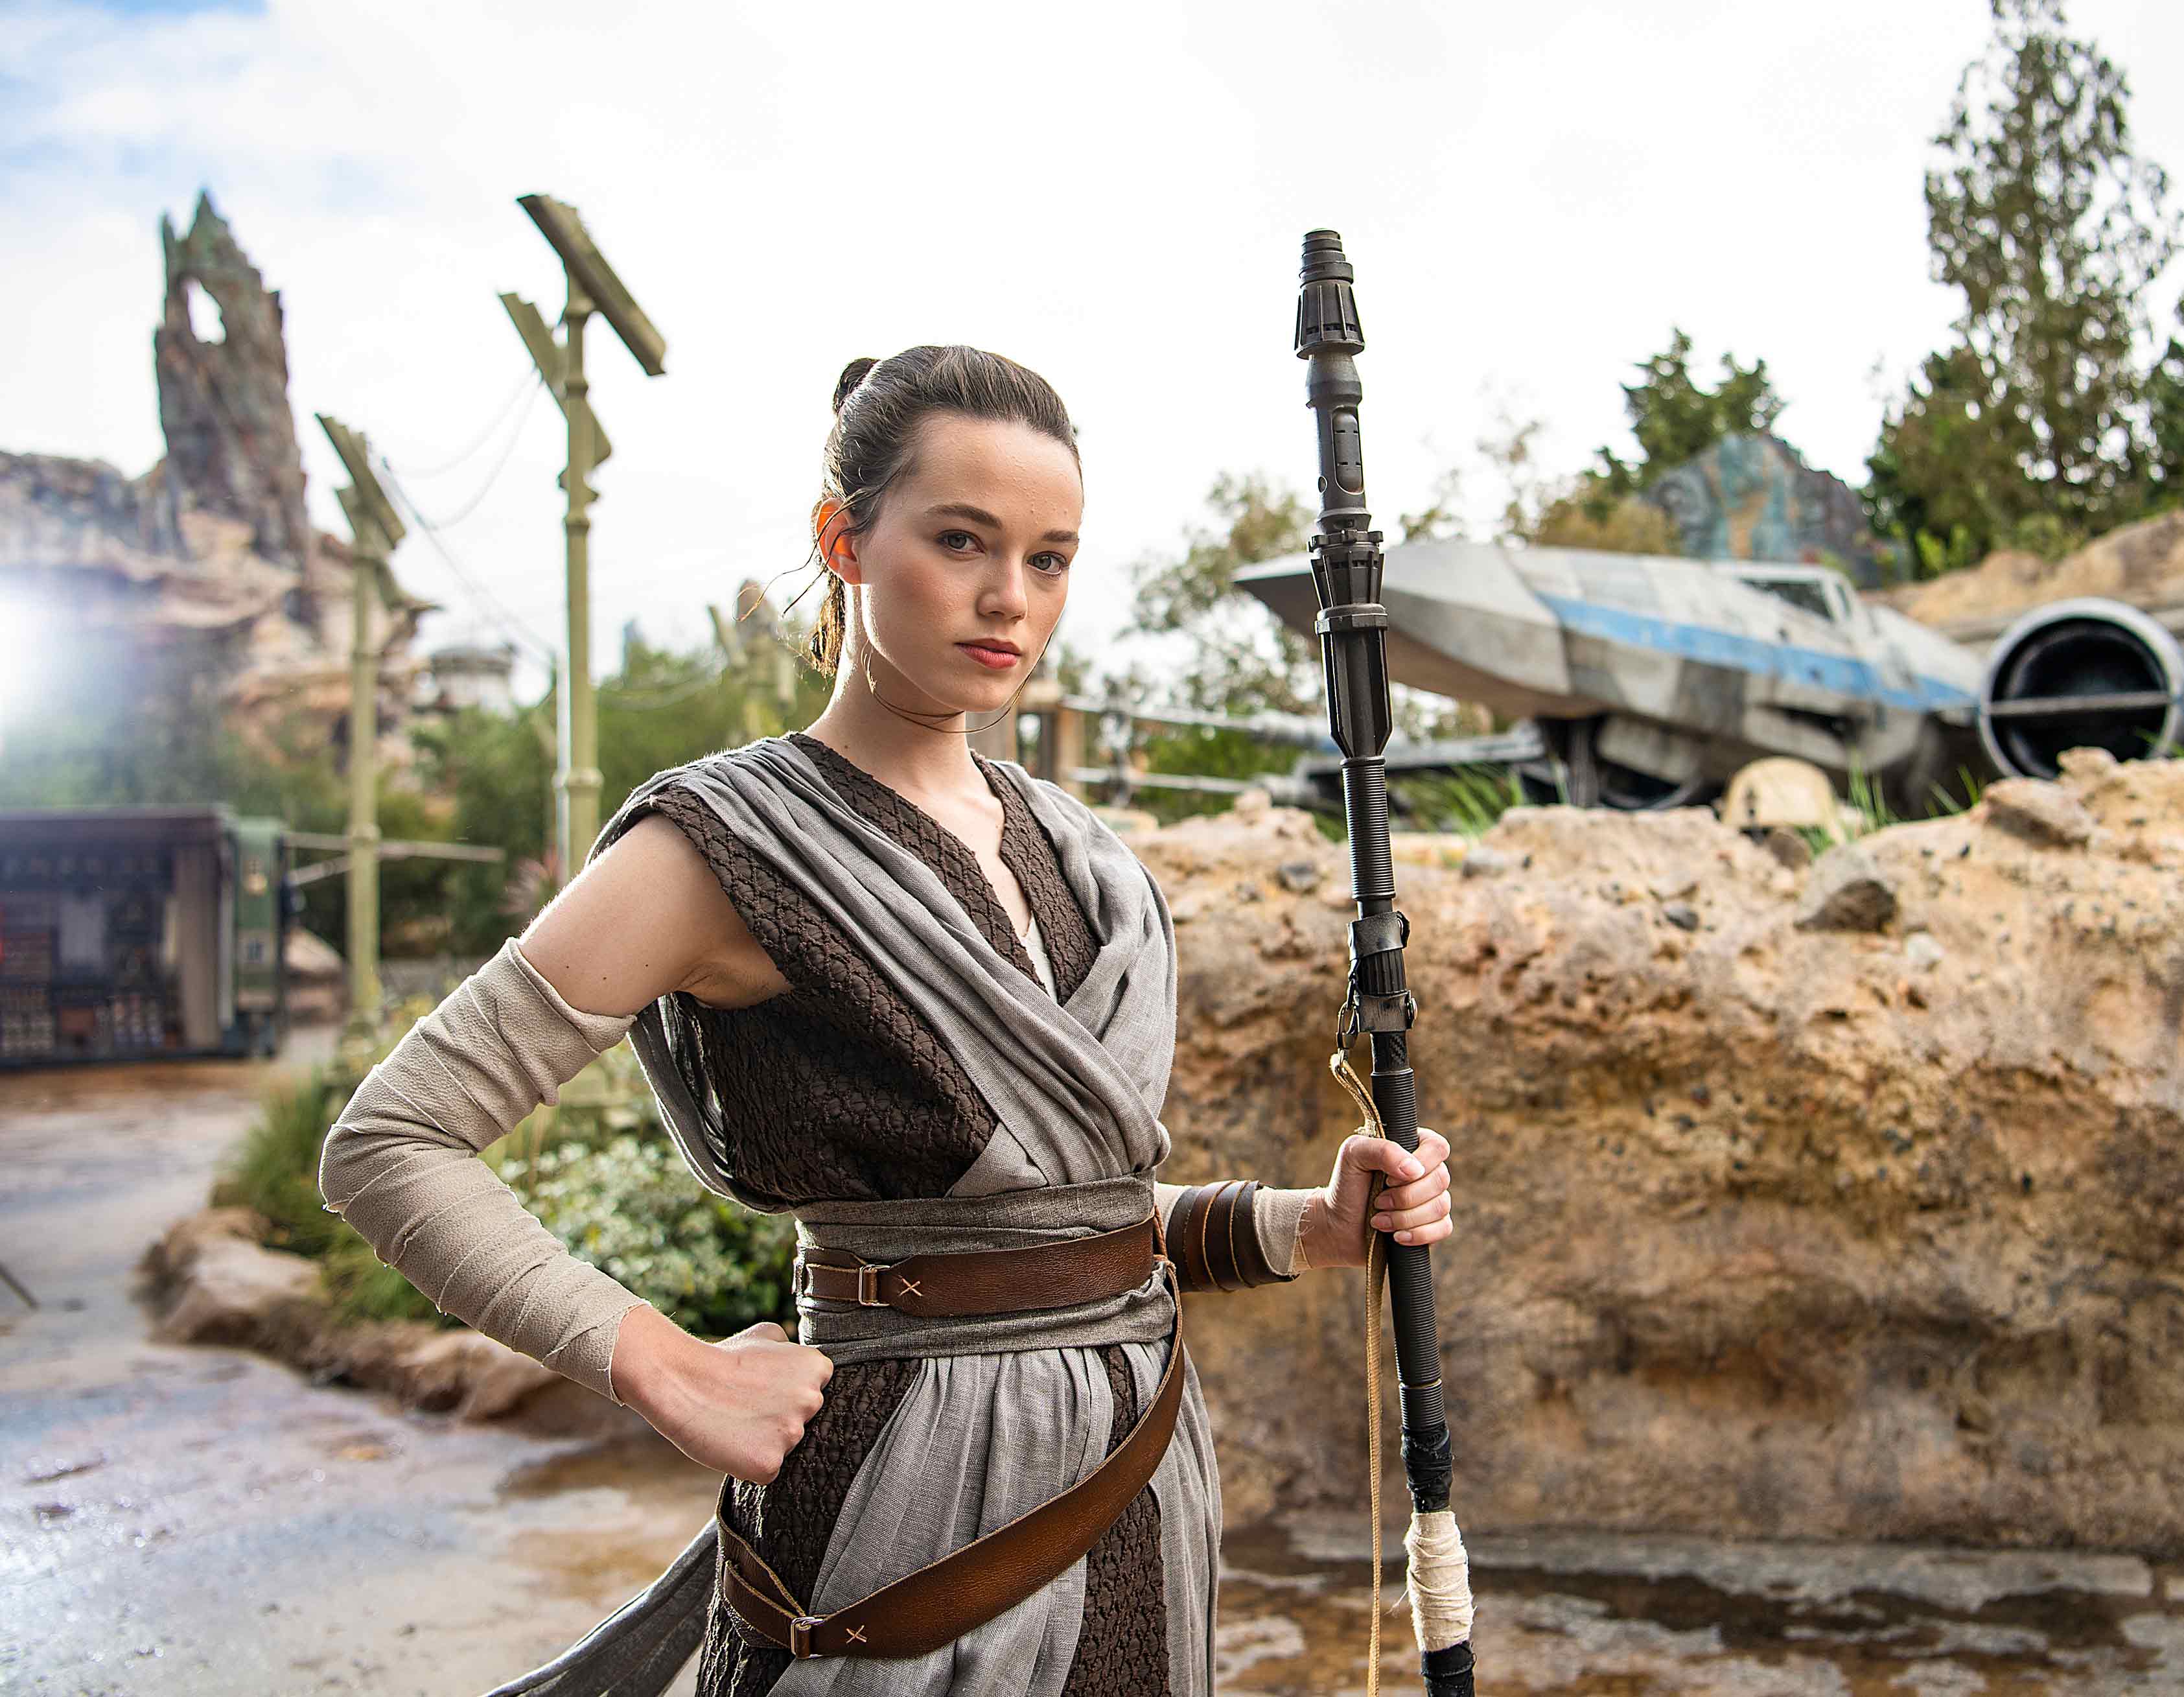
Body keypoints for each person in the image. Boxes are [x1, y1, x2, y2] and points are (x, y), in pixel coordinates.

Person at [315, 344, 1456, 1697]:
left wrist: (1298, 1226)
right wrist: (655, 1360)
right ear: (843, 540)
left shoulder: (1074, 852)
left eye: (1050, 559)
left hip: (1138, 1482)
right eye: (960, 541)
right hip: (901, 1509)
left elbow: (1055, 1225)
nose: (1008, 599)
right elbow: (390, 1140)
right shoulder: (721, 848)